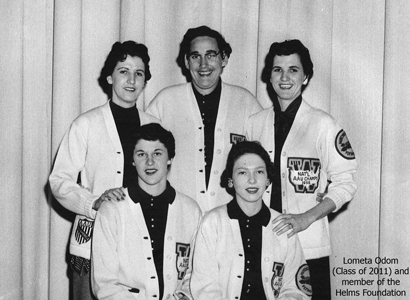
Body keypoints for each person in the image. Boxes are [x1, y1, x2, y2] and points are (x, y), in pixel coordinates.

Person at [246, 39, 358, 299]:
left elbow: (346, 182)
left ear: (306, 76)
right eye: (277, 70)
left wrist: (307, 217)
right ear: (269, 76)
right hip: (261, 244)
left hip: (309, 248)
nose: (285, 77)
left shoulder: (323, 125)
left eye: (293, 70)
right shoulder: (254, 124)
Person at [49, 41, 159, 300]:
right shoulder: (85, 124)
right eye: (124, 71)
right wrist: (92, 203)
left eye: (139, 73)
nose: (131, 80)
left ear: (145, 81)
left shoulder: (155, 126)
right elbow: (59, 180)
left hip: (139, 243)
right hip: (90, 243)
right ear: (110, 76)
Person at [146, 25, 263, 213]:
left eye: (211, 55)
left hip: (232, 217)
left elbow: (265, 162)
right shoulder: (165, 101)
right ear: (186, 61)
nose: (203, 64)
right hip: (175, 214)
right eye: (195, 56)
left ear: (223, 58)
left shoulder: (245, 103)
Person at [91, 123, 201, 300]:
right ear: (132, 160)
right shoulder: (112, 209)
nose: (150, 162)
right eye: (141, 154)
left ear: (170, 158)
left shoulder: (190, 210)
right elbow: (104, 284)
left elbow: (196, 273)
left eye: (157, 153)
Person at [190, 141, 312, 300]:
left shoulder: (283, 226)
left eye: (259, 172)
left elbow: (296, 289)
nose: (252, 180)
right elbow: (205, 287)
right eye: (242, 173)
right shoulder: (213, 223)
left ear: (268, 179)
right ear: (230, 180)